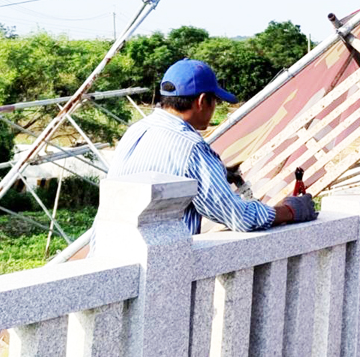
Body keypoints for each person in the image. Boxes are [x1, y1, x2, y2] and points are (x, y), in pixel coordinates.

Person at [108, 59, 316, 234]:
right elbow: (239, 217)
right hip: (160, 268)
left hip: (111, 258)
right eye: (215, 100)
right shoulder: (191, 147)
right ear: (202, 100)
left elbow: (159, 173)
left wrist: (218, 174)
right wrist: (290, 210)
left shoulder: (137, 130)